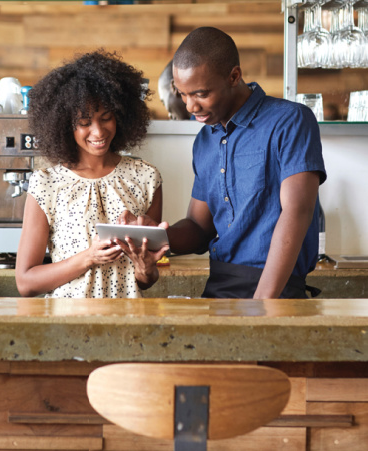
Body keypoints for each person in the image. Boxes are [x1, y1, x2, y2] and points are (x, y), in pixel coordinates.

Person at [138, 27, 326, 299]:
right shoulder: (204, 141)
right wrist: (152, 236)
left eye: (201, 94)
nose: (190, 106)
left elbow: (297, 212)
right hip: (219, 287)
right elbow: (199, 228)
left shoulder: (290, 121)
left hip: (275, 290)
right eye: (182, 94)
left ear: (234, 76)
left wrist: (262, 305)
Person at [15, 50, 169, 298]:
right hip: (67, 326)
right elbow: (26, 282)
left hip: (128, 324)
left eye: (106, 118)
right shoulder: (47, 184)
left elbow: (145, 281)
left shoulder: (146, 178)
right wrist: (89, 257)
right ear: (65, 124)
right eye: (85, 123)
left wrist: (146, 268)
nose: (98, 132)